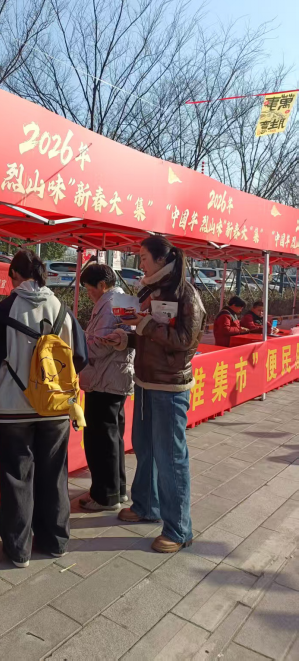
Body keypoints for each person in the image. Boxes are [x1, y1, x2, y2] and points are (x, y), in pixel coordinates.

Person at [0, 250, 88, 568]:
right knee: (54, 473)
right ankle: (55, 541)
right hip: (56, 407)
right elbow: (80, 357)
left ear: (15, 275)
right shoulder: (62, 309)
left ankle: (18, 549)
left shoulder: (5, 310)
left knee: (17, 475)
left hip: (13, 407)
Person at [120, 237, 206, 554]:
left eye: (144, 257)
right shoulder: (149, 290)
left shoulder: (186, 294)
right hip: (145, 382)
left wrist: (143, 326)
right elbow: (149, 336)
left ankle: (179, 529)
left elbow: (185, 340)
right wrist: (126, 339)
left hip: (169, 388)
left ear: (160, 259)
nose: (140, 263)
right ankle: (146, 505)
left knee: (170, 457)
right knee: (145, 448)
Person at [78, 264, 135, 512]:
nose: (89, 294)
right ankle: (117, 490)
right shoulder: (121, 301)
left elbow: (100, 345)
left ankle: (105, 496)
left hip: (104, 379)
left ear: (102, 285)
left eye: (89, 289)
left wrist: (78, 347)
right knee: (112, 437)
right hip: (114, 378)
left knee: (101, 439)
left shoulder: (110, 305)